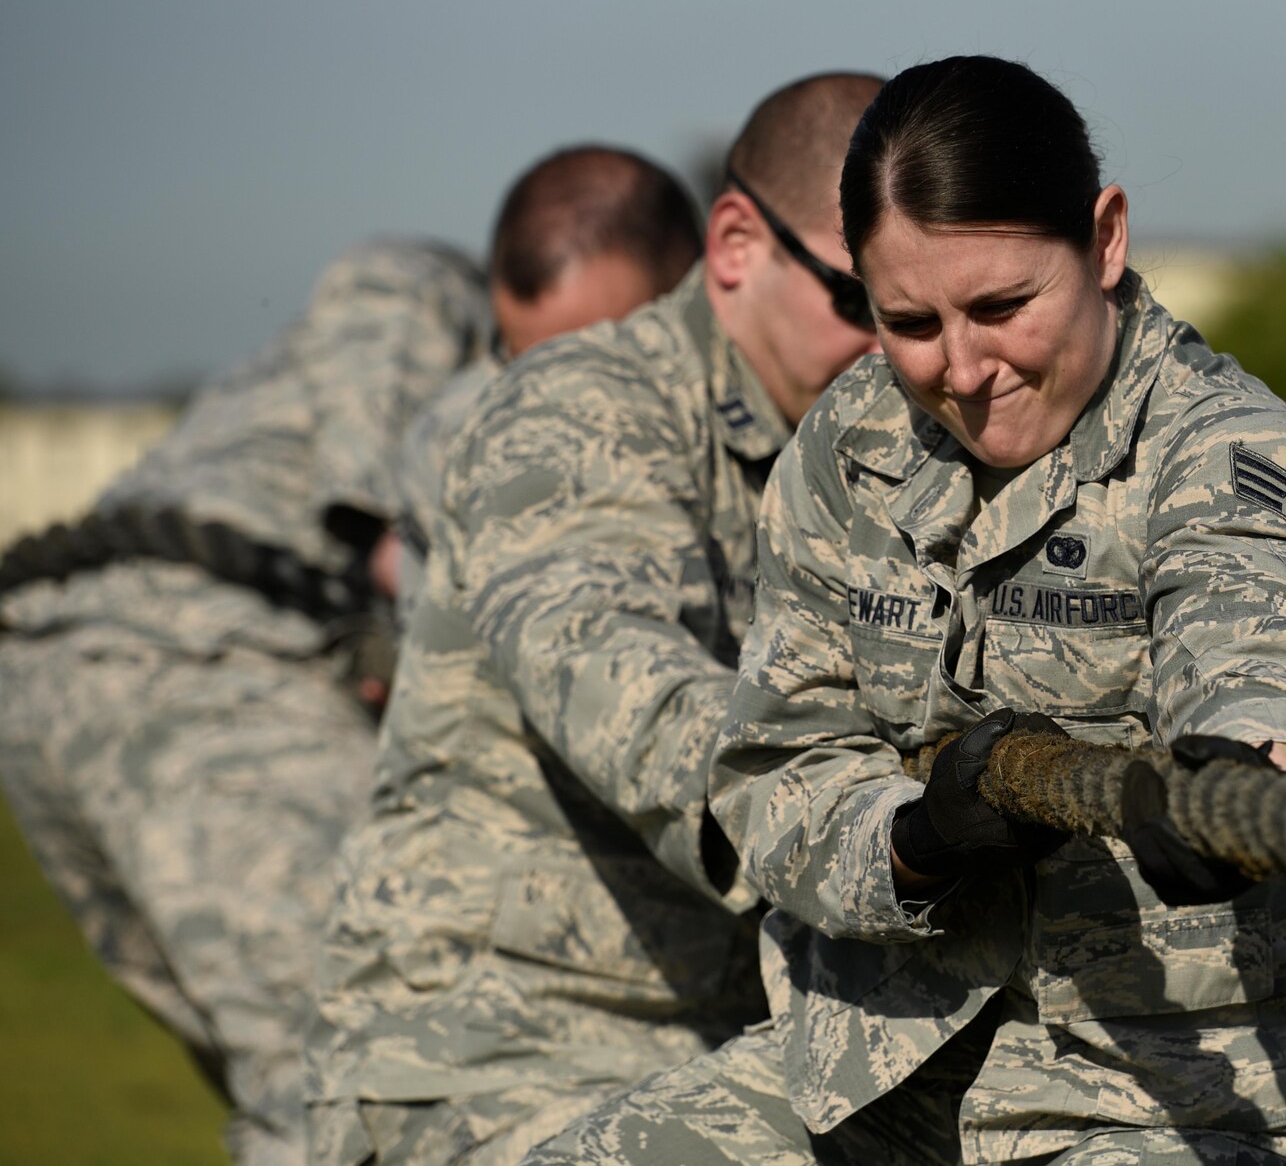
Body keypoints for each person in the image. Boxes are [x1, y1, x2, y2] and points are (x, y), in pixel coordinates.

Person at [527, 56, 1286, 1166]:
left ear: (1105, 241)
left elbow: (1263, 631)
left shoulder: (1223, 452)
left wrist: (1236, 786)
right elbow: (775, 770)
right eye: (907, 320)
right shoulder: (851, 447)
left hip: (1161, 1100)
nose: (960, 368)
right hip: (873, 1079)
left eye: (1002, 306)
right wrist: (914, 842)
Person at [305, 72, 885, 1166]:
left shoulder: (873, 457)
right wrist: (890, 827)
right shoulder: (577, 410)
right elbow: (625, 685)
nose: (900, 347)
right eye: (861, 302)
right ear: (734, 247)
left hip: (745, 1055)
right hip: (488, 1066)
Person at [0, 240, 489, 1166]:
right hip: (195, 669)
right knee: (359, 1081)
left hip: (60, 672)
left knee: (281, 1074)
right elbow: (378, 291)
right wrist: (389, 552)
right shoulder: (439, 287)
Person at [390, 145, 704, 627]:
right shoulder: (457, 442)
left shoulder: (780, 417)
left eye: (585, 368)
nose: (540, 398)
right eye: (516, 360)